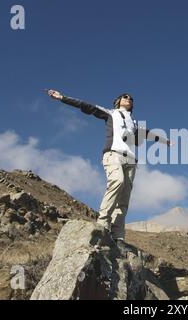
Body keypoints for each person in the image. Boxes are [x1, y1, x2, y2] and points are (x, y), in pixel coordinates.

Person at [46, 89, 173, 250]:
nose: (128, 99)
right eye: (125, 97)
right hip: (113, 154)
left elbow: (145, 133)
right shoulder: (110, 113)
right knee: (117, 181)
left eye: (131, 98)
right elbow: (86, 106)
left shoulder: (133, 123)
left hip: (130, 160)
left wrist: (164, 140)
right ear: (118, 101)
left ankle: (118, 237)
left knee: (124, 198)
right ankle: (103, 225)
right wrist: (62, 98)